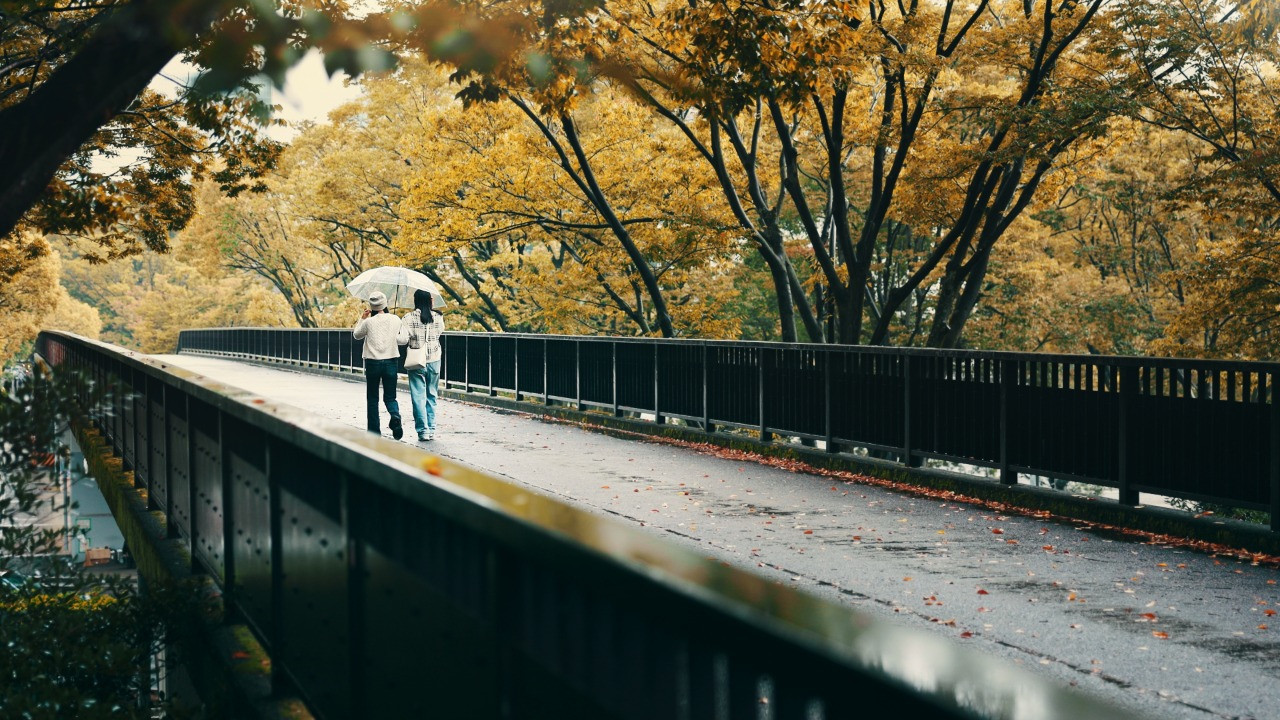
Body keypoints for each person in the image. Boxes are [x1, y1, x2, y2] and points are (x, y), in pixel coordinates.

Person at [353, 291, 408, 438]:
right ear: (385, 304)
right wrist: (393, 335)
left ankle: (374, 432)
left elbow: (356, 335)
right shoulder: (395, 319)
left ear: (372, 306)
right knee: (390, 397)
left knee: (372, 398)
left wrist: (362, 318)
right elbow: (403, 340)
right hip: (391, 362)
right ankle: (395, 415)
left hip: (372, 363)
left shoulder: (368, 322)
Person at [401, 288, 445, 441]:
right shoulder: (438, 317)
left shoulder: (408, 317)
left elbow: (403, 339)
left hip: (416, 360)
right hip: (434, 359)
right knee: (432, 394)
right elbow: (440, 333)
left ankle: (423, 431)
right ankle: (431, 429)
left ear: (416, 300)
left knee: (418, 396)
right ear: (429, 300)